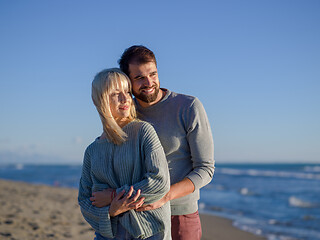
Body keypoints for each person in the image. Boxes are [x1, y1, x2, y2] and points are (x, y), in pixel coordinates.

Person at [118, 45, 215, 240]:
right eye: (139, 78)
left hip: (180, 214)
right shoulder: (126, 113)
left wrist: (165, 197)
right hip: (138, 216)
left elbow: (205, 169)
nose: (149, 82)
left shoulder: (188, 107)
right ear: (127, 82)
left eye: (153, 74)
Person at [78, 68, 171, 240]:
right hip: (109, 235)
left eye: (127, 92)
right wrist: (112, 210)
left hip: (149, 232)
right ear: (99, 100)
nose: (125, 98)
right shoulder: (92, 151)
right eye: (115, 93)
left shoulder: (143, 131)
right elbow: (85, 201)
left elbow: (160, 181)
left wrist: (114, 196)